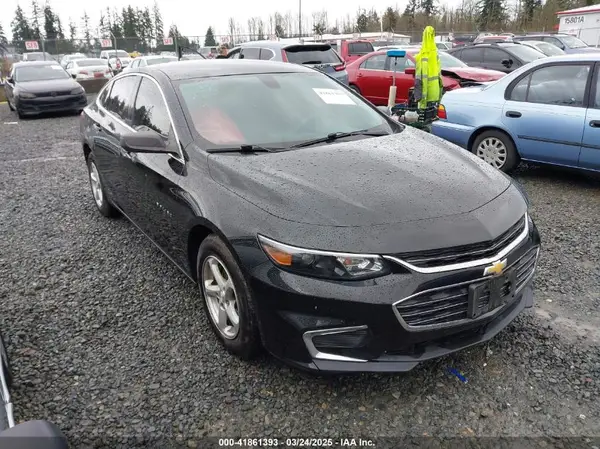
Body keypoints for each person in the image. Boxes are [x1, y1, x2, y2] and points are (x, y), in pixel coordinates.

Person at [413, 26, 443, 109]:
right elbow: (439, 75)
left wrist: (418, 95)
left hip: (426, 94)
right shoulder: (435, 54)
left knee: (423, 114)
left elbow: (418, 78)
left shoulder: (422, 56)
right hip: (435, 92)